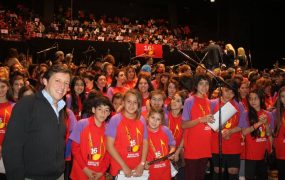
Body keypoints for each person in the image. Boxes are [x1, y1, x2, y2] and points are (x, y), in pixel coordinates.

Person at [2, 65, 71, 179]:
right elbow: (11, 147)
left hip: (58, 176)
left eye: (66, 83)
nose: (62, 86)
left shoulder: (61, 108)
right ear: (45, 81)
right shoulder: (27, 104)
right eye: (57, 81)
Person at [106, 89, 148, 178]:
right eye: (129, 101)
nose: (131, 105)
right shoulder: (115, 119)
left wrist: (142, 163)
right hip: (120, 168)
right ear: (123, 103)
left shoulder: (142, 119)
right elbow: (109, 146)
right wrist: (124, 166)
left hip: (137, 167)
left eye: (135, 102)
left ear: (139, 104)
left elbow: (145, 142)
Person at [69, 96, 114, 180]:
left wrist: (101, 172)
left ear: (109, 113)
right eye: (100, 109)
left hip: (99, 174)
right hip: (80, 172)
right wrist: (86, 170)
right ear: (93, 110)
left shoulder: (109, 130)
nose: (103, 113)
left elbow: (109, 154)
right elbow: (75, 149)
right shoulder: (82, 124)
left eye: (106, 110)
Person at [181, 74, 215, 180]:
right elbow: (184, 124)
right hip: (192, 146)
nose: (204, 87)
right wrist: (201, 119)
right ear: (196, 85)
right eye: (201, 84)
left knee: (200, 176)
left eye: (206, 84)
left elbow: (209, 123)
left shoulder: (209, 102)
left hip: (205, 146)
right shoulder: (189, 101)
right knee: (191, 176)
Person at [241, 89, 274, 180]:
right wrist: (258, 123)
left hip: (263, 153)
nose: (253, 101)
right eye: (251, 99)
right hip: (250, 154)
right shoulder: (246, 113)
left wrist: (266, 123)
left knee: (263, 176)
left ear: (261, 99)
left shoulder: (268, 114)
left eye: (255, 98)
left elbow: (269, 134)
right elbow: (244, 132)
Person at [145, 108, 176, 180]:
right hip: (149, 170)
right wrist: (143, 162)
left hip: (165, 169)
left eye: (158, 119)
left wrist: (171, 154)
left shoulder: (166, 130)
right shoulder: (143, 131)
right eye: (153, 117)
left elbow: (172, 145)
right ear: (147, 117)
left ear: (161, 122)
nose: (154, 121)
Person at [272, 86, 285, 180]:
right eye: (283, 96)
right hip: (281, 148)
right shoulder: (275, 113)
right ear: (280, 99)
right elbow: (272, 131)